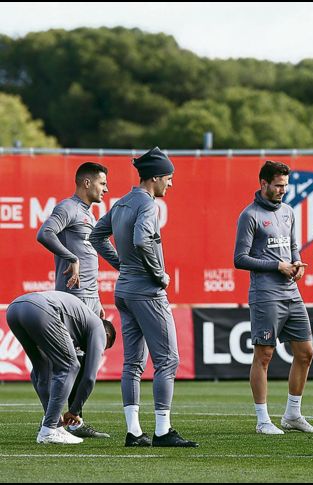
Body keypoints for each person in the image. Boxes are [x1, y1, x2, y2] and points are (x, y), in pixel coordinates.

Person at [90, 147, 198, 447]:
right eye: (169, 178)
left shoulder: (123, 201)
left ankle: (134, 431)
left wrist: (121, 264)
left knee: (132, 363)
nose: (171, 184)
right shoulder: (148, 205)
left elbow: (96, 235)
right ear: (156, 177)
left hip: (124, 290)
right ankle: (163, 431)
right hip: (146, 291)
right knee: (168, 360)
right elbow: (141, 240)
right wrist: (158, 274)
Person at [234, 160, 313, 435]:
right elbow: (240, 258)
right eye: (278, 185)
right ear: (264, 184)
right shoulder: (250, 215)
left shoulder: (288, 212)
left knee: (306, 353)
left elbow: (293, 248)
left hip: (291, 292)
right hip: (265, 294)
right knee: (265, 354)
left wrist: (295, 265)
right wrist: (276, 266)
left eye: (285, 185)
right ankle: (262, 420)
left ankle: (293, 415)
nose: (283, 190)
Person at [36, 161, 113, 439]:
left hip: (90, 300)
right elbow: (44, 233)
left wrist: (98, 297)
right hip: (71, 300)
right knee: (67, 364)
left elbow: (90, 258)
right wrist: (70, 257)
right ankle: (53, 421)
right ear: (87, 183)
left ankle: (73, 420)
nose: (106, 189)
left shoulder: (89, 215)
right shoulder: (67, 207)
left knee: (86, 363)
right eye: (103, 183)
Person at [6, 291, 116, 444]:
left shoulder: (77, 325)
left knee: (42, 368)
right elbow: (89, 377)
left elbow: (39, 373)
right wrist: (74, 411)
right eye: (104, 347)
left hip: (14, 309)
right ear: (107, 336)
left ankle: (53, 424)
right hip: (39, 308)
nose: (100, 351)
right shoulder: (98, 328)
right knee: (70, 365)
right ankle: (50, 428)